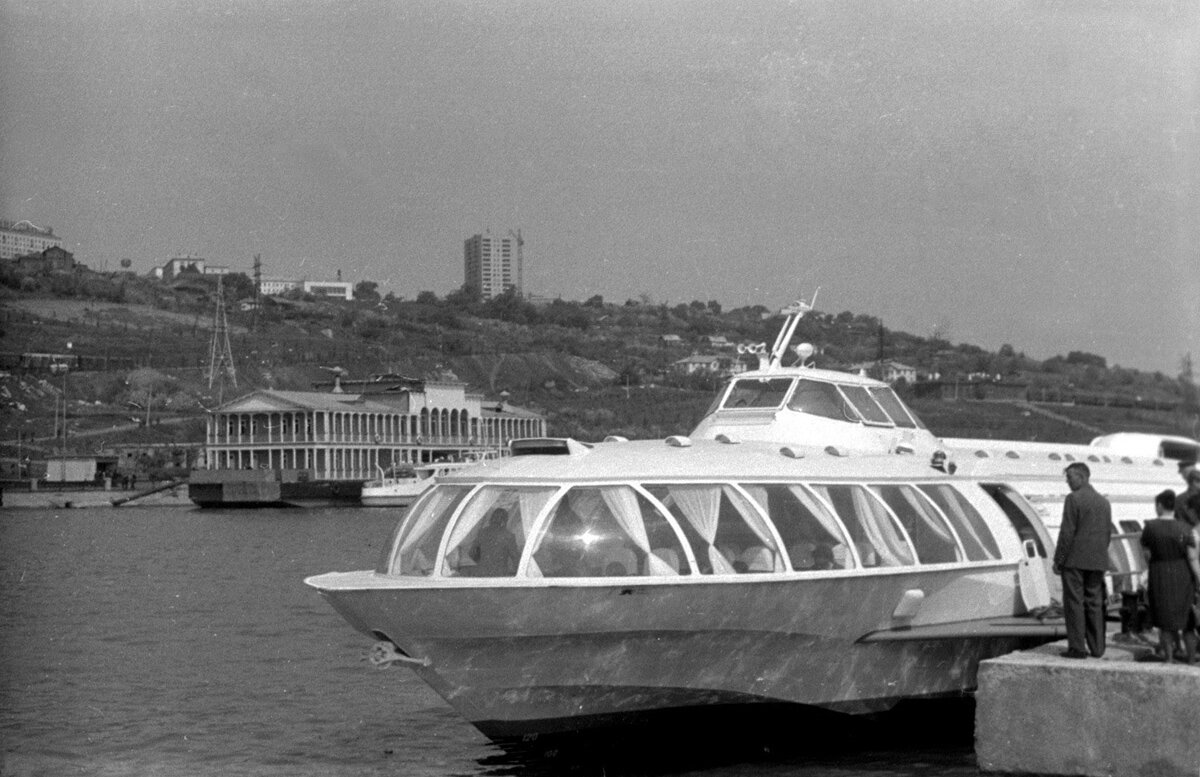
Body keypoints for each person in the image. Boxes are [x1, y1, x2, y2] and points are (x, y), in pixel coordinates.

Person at [1053, 462, 1113, 659]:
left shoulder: (1073, 499)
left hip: (1075, 560)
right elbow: (1107, 534)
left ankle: (1077, 648)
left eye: (1070, 477)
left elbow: (1067, 532)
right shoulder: (1104, 502)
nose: (1067, 481)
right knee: (1095, 602)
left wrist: (1059, 560)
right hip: (1097, 560)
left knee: (1074, 603)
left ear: (1082, 477)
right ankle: (1098, 648)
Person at [1140, 490, 1198, 663]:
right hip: (1183, 574)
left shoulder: (1150, 527)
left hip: (1160, 573)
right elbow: (1192, 556)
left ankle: (1169, 658)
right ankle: (1191, 659)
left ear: (1159, 505)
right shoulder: (1185, 528)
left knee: (1164, 621)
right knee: (1188, 622)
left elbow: (1146, 554)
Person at [468, 508, 520, 576]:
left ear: (491, 519)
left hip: (482, 574)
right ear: (504, 521)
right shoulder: (508, 536)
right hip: (499, 574)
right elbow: (515, 558)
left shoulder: (482, 533)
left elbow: (471, 553)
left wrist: (484, 563)